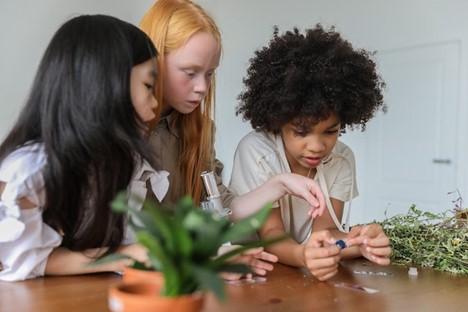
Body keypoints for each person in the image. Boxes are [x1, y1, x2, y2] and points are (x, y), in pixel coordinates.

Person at [139, 0, 325, 224]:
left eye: (210, 74)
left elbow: (220, 207)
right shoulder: (116, 127)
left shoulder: (200, 129)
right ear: (154, 61)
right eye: (190, 73)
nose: (202, 87)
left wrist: (281, 183)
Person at [229, 24, 392, 281]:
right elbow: (271, 233)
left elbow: (325, 231)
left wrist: (359, 242)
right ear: (279, 119)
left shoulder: (341, 159)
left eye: (331, 131)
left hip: (300, 276)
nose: (317, 147)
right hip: (253, 273)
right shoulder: (257, 151)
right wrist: (303, 255)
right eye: (301, 131)